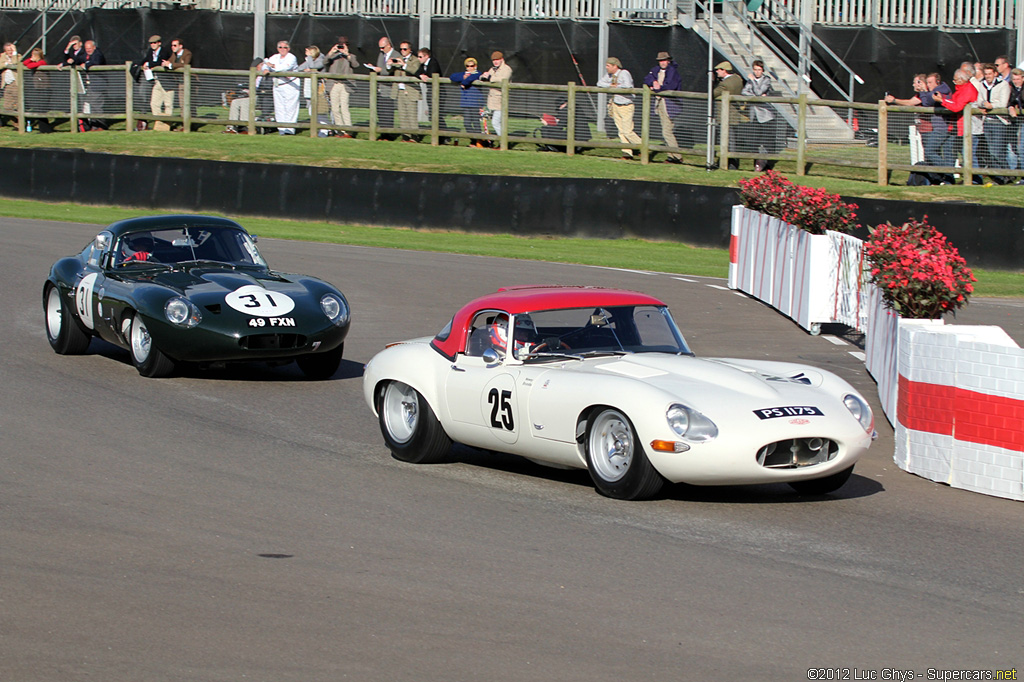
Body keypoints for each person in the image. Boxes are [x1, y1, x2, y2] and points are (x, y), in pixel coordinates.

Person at [935, 67, 979, 183]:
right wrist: (943, 98)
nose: (954, 82)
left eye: (955, 80)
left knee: (968, 155)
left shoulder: (968, 89)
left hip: (966, 129)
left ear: (961, 80)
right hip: (956, 128)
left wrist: (942, 101)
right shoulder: (960, 89)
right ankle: (949, 179)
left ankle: (975, 180)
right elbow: (954, 102)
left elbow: (957, 107)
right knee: (949, 152)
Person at [596, 57, 641, 160]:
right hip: (616, 105)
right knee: (621, 131)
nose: (606, 68)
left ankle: (643, 147)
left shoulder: (624, 73)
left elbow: (628, 86)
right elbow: (599, 83)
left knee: (627, 131)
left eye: (608, 66)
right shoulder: (609, 76)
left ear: (615, 66)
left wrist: (616, 86)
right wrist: (611, 85)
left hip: (626, 105)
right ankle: (627, 153)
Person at [643, 51, 684, 163]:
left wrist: (656, 89)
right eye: (660, 60)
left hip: (670, 104)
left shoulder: (673, 71)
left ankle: (677, 156)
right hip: (660, 103)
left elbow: (671, 86)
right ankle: (671, 155)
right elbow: (647, 78)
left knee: (667, 131)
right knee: (665, 130)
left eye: (664, 60)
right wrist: (654, 81)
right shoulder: (655, 70)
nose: (662, 62)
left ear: (668, 61)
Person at [740, 59, 778, 171]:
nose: (757, 72)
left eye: (759, 70)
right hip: (754, 114)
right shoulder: (750, 81)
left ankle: (764, 164)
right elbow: (744, 92)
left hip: (765, 116)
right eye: (755, 70)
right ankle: (757, 163)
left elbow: (758, 92)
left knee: (766, 140)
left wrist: (753, 82)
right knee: (755, 140)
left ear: (762, 70)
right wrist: (756, 95)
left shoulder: (766, 80)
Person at [976, 63, 1011, 183]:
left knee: (997, 151)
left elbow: (1003, 103)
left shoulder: (1003, 84)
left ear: (995, 74)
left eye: (990, 74)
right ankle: (1000, 177)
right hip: (987, 122)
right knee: (991, 151)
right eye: (986, 74)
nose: (988, 76)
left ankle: (1008, 174)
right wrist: (983, 105)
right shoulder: (982, 85)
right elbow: (979, 100)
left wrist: (991, 106)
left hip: (999, 122)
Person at [322, 36, 358, 137]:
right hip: (334, 84)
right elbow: (324, 62)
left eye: (344, 45)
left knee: (344, 108)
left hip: (345, 85)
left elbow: (355, 65)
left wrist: (347, 54)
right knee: (335, 109)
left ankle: (348, 131)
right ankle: (339, 130)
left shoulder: (351, 56)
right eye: (340, 45)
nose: (342, 47)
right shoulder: (334, 56)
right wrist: (331, 52)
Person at [261, 40, 299, 135]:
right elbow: (264, 65)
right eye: (280, 47)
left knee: (290, 107)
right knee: (279, 108)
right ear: (277, 48)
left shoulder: (291, 57)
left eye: (285, 47)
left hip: (290, 85)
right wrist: (265, 68)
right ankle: (281, 130)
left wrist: (271, 66)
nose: (282, 49)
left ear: (288, 49)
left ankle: (289, 130)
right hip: (278, 85)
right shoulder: (275, 57)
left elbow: (283, 68)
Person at [386, 41, 421, 141]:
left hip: (411, 91)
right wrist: (389, 64)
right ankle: (405, 136)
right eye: (401, 49)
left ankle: (414, 137)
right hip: (399, 91)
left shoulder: (415, 60)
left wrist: (404, 65)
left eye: (405, 49)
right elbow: (390, 70)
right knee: (402, 115)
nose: (402, 51)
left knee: (412, 115)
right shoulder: (398, 59)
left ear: (410, 50)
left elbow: (414, 70)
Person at [712, 61, 743, 169]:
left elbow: (713, 93)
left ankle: (730, 164)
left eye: (718, 70)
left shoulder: (724, 84)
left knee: (728, 140)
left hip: (726, 115)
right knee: (732, 139)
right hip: (735, 114)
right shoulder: (737, 78)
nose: (716, 72)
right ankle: (731, 163)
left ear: (724, 70)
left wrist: (712, 82)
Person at [449, 57, 485, 143]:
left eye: (472, 66)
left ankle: (479, 142)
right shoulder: (464, 74)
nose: (470, 68)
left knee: (476, 123)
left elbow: (471, 78)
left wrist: (464, 82)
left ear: (475, 66)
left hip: (475, 103)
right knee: (467, 124)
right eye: (468, 66)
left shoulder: (478, 73)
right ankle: (474, 139)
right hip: (465, 103)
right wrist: (463, 77)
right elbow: (452, 76)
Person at [368, 36, 400, 136]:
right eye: (380, 48)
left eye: (383, 47)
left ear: (389, 45)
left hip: (389, 88)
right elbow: (380, 67)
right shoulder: (381, 54)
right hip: (380, 88)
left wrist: (380, 70)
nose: (381, 50)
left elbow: (391, 70)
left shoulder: (396, 55)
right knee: (381, 111)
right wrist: (373, 68)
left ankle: (389, 134)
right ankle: (382, 133)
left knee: (388, 112)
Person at [141, 36, 173, 127]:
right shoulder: (151, 52)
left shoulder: (164, 51)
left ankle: (167, 125)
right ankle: (159, 123)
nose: (153, 45)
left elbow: (160, 62)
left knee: (168, 104)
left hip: (167, 81)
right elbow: (146, 59)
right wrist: (141, 64)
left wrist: (148, 64)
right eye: (151, 43)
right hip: (157, 80)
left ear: (159, 43)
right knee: (154, 103)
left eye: (155, 43)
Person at [478, 50, 512, 137]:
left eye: (497, 59)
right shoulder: (492, 69)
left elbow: (503, 79)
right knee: (496, 122)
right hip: (491, 101)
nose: (495, 62)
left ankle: (503, 141)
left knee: (495, 122)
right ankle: (501, 141)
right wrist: (483, 77)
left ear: (502, 59)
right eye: (494, 60)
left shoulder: (507, 69)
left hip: (501, 101)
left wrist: (490, 77)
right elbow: (484, 76)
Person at [162, 38, 194, 125]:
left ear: (181, 46)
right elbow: (169, 61)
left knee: (188, 104)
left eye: (175, 45)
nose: (173, 47)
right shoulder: (174, 54)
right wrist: (165, 63)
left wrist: (171, 65)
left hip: (190, 82)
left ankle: (189, 124)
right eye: (172, 45)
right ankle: (186, 124)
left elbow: (185, 65)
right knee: (182, 103)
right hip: (181, 82)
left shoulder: (187, 53)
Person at [22, 46, 53, 133]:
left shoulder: (42, 62)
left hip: (45, 89)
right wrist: (30, 59)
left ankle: (45, 129)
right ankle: (44, 129)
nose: (33, 57)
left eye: (35, 55)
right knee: (39, 109)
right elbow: (25, 63)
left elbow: (30, 66)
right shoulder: (35, 61)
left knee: (42, 109)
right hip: (38, 89)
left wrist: (33, 61)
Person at [297, 45, 325, 126]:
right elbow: (299, 68)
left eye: (308, 52)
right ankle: (316, 126)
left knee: (320, 109)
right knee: (310, 108)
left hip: (318, 89)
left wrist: (309, 57)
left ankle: (325, 128)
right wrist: (305, 70)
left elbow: (313, 67)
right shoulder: (309, 60)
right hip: (308, 88)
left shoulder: (320, 60)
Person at [1006, 68, 1024, 180]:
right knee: (1020, 148)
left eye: (1018, 79)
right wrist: (1011, 106)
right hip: (1020, 121)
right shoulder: (1014, 89)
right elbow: (1011, 101)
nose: (1016, 81)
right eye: (1014, 79)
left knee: (1022, 148)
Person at [0, 43, 20, 126]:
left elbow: (15, 63)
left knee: (18, 105)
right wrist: (6, 64)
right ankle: (16, 122)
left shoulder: (18, 56)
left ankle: (21, 123)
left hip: (16, 83)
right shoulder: (3, 57)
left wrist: (14, 53)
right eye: (8, 50)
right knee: (7, 106)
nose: (10, 52)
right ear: (5, 51)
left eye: (11, 50)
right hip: (7, 84)